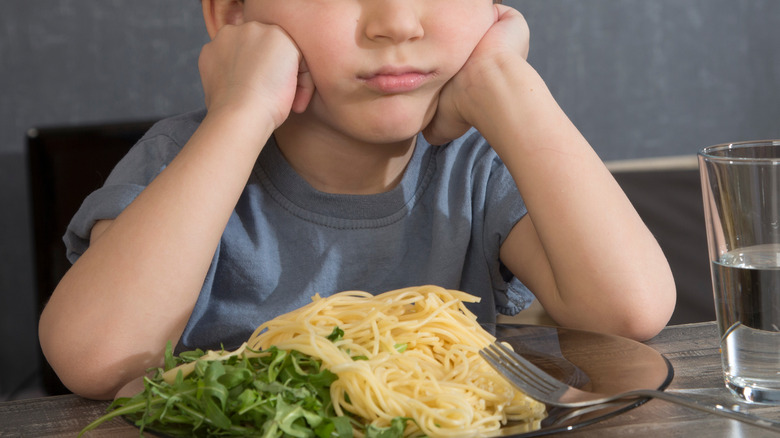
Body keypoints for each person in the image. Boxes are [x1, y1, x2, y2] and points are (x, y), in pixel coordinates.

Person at [39, 0, 676, 400]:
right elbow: (94, 360)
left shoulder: (477, 166)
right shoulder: (184, 161)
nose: (397, 22)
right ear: (234, 14)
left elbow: (628, 312)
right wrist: (242, 112)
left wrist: (505, 83)